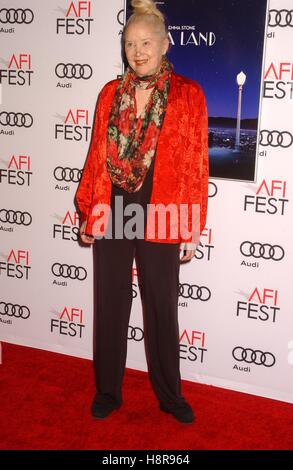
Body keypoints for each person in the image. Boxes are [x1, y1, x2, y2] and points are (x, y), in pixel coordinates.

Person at [75, 0, 208, 424]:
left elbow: (195, 163)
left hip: (164, 211)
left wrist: (191, 226)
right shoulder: (110, 93)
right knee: (110, 305)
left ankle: (171, 396)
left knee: (162, 309)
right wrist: (90, 213)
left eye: (146, 42)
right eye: (130, 43)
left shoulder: (189, 94)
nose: (138, 51)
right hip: (114, 208)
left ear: (165, 44)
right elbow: (97, 157)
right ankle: (108, 392)